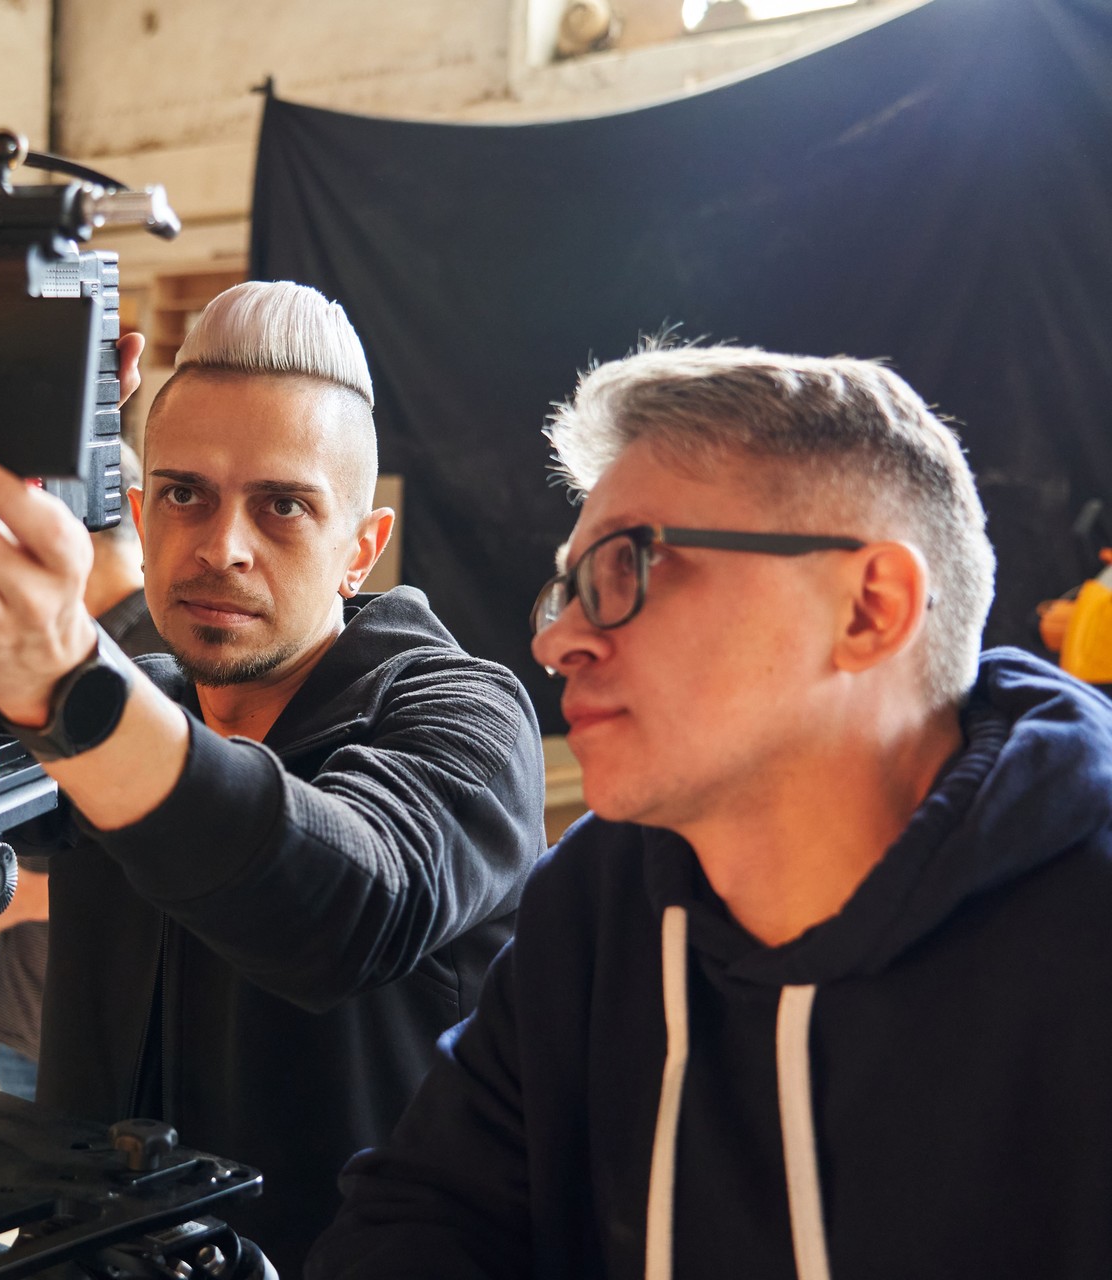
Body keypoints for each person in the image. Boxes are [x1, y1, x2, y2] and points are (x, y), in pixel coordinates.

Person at [308, 345, 1112, 1278]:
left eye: (624, 568)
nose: (559, 640)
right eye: (566, 591)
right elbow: (423, 1219)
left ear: (869, 609)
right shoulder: (597, 904)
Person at [0, 282, 546, 1275]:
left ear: (362, 545)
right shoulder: (149, 701)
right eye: (186, 493)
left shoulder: (463, 714)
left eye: (284, 504)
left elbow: (349, 905)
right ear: (139, 510)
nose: (223, 545)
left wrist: (73, 686)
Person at [0, 443, 166, 1100]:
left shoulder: (154, 660)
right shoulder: (50, 659)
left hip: (110, 1036)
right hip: (26, 1016)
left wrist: (0, 897)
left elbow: (176, 869)